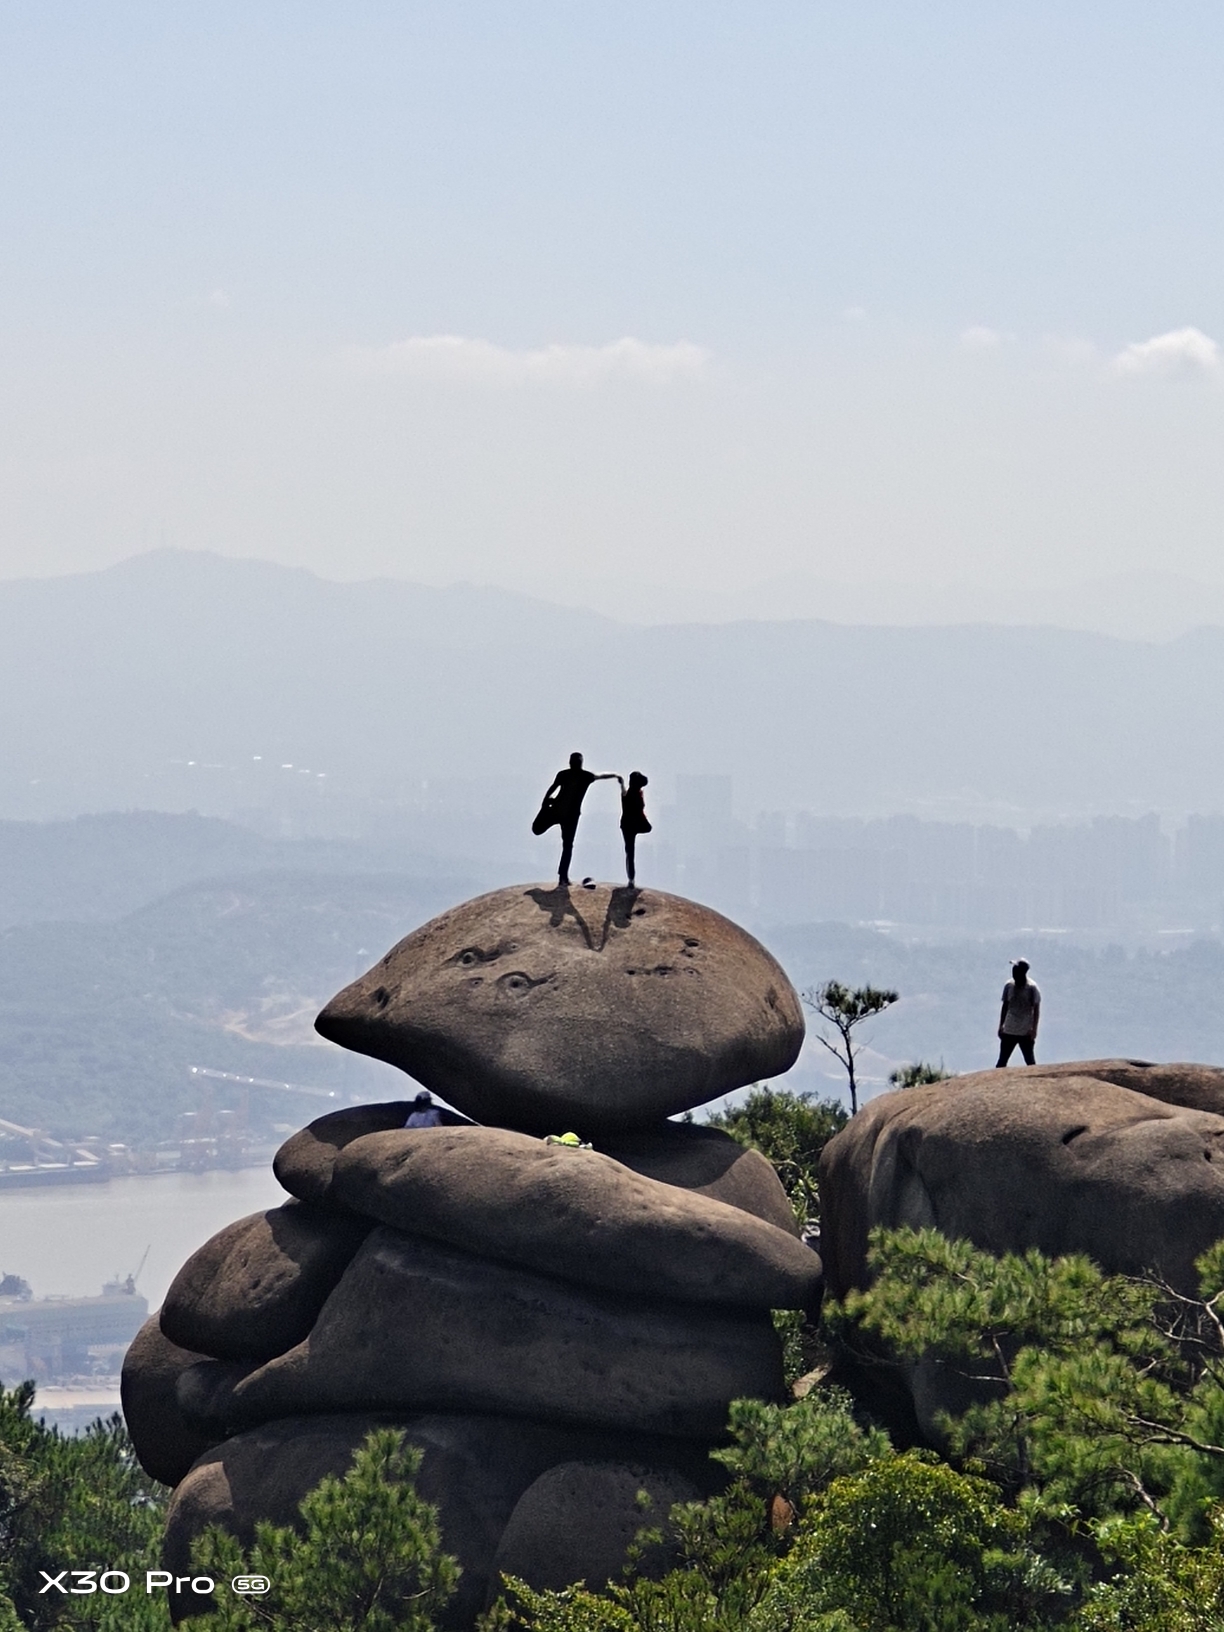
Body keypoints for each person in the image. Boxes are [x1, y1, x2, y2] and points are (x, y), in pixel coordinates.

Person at [537, 752, 617, 886]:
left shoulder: (566, 775)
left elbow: (552, 788)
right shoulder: (584, 776)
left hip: (559, 811)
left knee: (565, 845)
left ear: (570, 762)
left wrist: (545, 802)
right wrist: (615, 775)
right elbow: (600, 776)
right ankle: (563, 877)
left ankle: (563, 876)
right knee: (567, 846)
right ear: (581, 763)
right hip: (569, 816)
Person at [996, 960, 1040, 1067]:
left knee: (1030, 1062)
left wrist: (1034, 1029)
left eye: (1016, 970)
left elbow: (1036, 1009)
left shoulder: (1031, 988)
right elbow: (1005, 1006)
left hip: (1025, 1031)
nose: (1014, 972)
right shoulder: (1009, 986)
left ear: (1022, 972)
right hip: (1009, 1030)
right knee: (1002, 1061)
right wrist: (1001, 1025)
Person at [617, 771, 651, 887]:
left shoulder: (633, 793)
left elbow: (624, 792)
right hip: (631, 825)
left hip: (629, 825)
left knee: (630, 852)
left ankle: (631, 879)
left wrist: (621, 784)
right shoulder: (634, 794)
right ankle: (631, 879)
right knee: (630, 852)